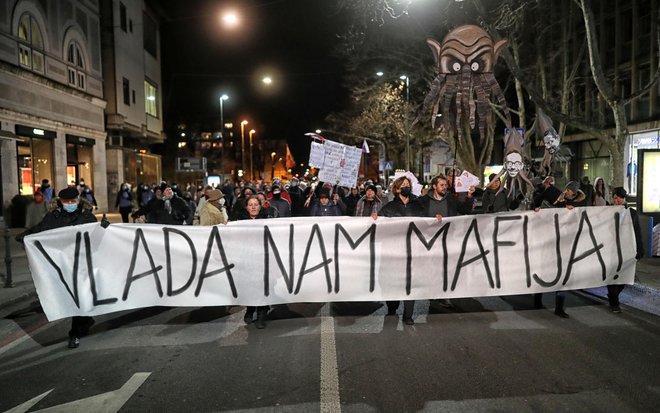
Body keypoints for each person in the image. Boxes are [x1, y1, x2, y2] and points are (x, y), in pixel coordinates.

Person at [16, 186, 103, 348]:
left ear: (79, 200)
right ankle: (86, 320)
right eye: (66, 201)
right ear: (60, 202)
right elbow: (40, 231)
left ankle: (74, 333)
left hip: (82, 263)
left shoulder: (86, 216)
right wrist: (25, 236)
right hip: (62, 264)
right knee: (72, 297)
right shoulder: (53, 217)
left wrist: (103, 227)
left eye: (72, 201)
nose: (69, 204)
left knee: (79, 296)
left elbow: (96, 237)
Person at [378, 176, 424, 325]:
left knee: (411, 282)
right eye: (403, 185)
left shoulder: (418, 205)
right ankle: (392, 308)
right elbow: (379, 227)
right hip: (394, 252)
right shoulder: (389, 208)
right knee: (392, 282)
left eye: (408, 185)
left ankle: (408, 315)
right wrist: (375, 219)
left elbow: (426, 223)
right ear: (397, 189)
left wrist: (435, 220)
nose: (406, 187)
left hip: (413, 251)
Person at [234, 196, 277, 328]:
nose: (253, 207)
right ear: (246, 207)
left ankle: (261, 315)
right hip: (247, 260)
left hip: (263, 259)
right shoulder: (239, 222)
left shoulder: (268, 220)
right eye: (250, 205)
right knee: (250, 287)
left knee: (263, 287)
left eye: (256, 204)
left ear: (260, 206)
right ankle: (250, 309)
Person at [607, 187, 644, 313]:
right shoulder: (607, 211)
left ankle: (614, 296)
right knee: (612, 276)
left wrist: (640, 248)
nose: (616, 200)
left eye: (619, 198)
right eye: (614, 198)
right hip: (611, 249)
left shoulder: (631, 213)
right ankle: (614, 303)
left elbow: (637, 232)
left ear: (624, 198)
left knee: (624, 277)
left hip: (626, 249)